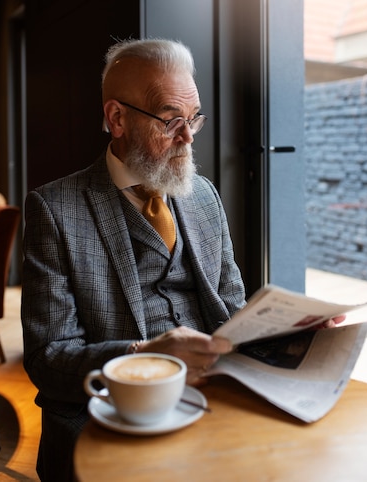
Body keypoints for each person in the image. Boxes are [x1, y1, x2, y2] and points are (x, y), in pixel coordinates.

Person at [21, 38, 246, 482]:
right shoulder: (54, 209)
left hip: (216, 400)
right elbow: (48, 360)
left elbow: (233, 307)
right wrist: (140, 355)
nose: (187, 136)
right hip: (109, 417)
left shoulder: (203, 195)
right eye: (170, 120)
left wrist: (294, 333)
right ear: (117, 118)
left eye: (194, 118)